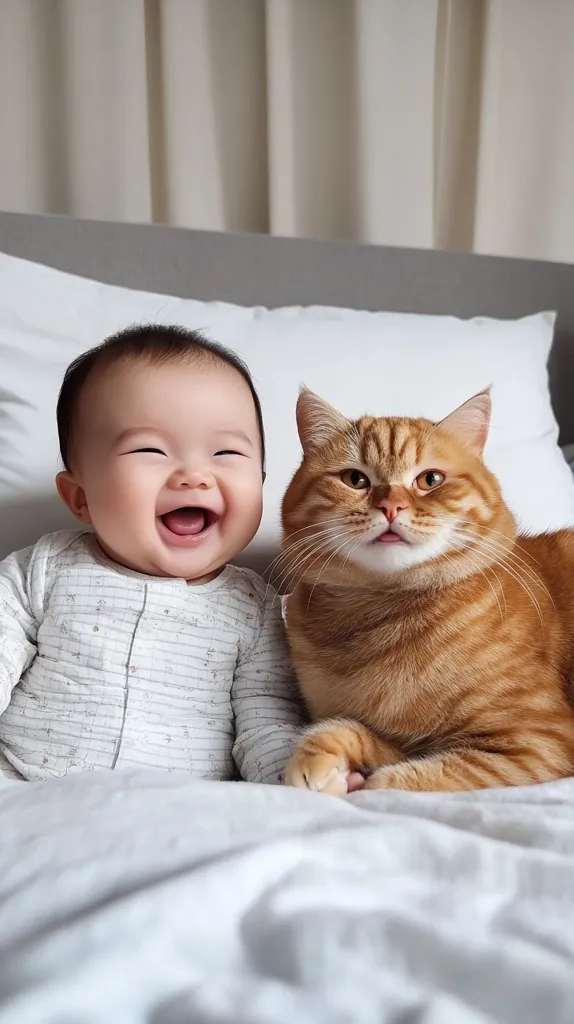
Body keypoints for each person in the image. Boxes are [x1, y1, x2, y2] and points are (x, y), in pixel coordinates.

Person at [0, 324, 303, 783]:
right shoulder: (44, 568)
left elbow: (267, 717)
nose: (195, 475)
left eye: (226, 452)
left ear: (260, 482)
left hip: (180, 805)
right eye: (150, 449)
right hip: (28, 787)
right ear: (80, 497)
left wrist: (294, 774)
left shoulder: (255, 609)